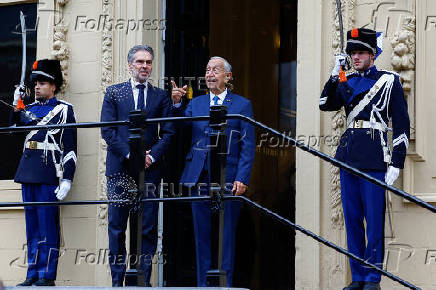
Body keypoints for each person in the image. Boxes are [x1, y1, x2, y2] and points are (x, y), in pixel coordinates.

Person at [319, 28, 410, 290]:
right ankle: (357, 276)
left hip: (374, 154)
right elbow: (325, 103)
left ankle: (372, 277)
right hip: (349, 155)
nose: (355, 57)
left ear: (373, 54)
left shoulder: (388, 81)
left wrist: (397, 162)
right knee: (353, 221)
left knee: (374, 221)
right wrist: (335, 74)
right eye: (352, 53)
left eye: (360, 52)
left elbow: (402, 124)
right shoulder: (346, 80)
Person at [172, 56, 255, 287]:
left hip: (229, 179)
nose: (210, 73)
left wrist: (242, 177)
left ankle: (225, 285)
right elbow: (180, 129)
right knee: (202, 237)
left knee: (226, 236)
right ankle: (203, 286)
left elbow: (248, 146)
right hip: (199, 177)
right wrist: (178, 104)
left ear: (227, 76)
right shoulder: (195, 103)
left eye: (215, 70)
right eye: (207, 69)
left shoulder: (242, 105)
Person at [101, 44, 174, 287]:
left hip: (150, 170)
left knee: (148, 226)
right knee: (117, 226)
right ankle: (117, 281)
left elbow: (169, 132)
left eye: (149, 62)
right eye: (140, 62)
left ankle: (141, 280)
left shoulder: (161, 96)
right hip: (120, 169)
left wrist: (151, 156)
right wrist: (132, 155)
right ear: (130, 65)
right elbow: (108, 131)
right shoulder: (114, 92)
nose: (145, 66)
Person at [12, 59, 77, 286]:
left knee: (48, 226)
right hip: (28, 171)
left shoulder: (64, 110)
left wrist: (67, 179)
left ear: (53, 86)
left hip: (49, 170)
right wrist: (16, 103)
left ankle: (46, 275)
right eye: (35, 83)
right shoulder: (27, 109)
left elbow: (70, 148)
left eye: (42, 83)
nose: (37, 87)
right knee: (32, 227)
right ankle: (32, 274)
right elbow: (14, 132)